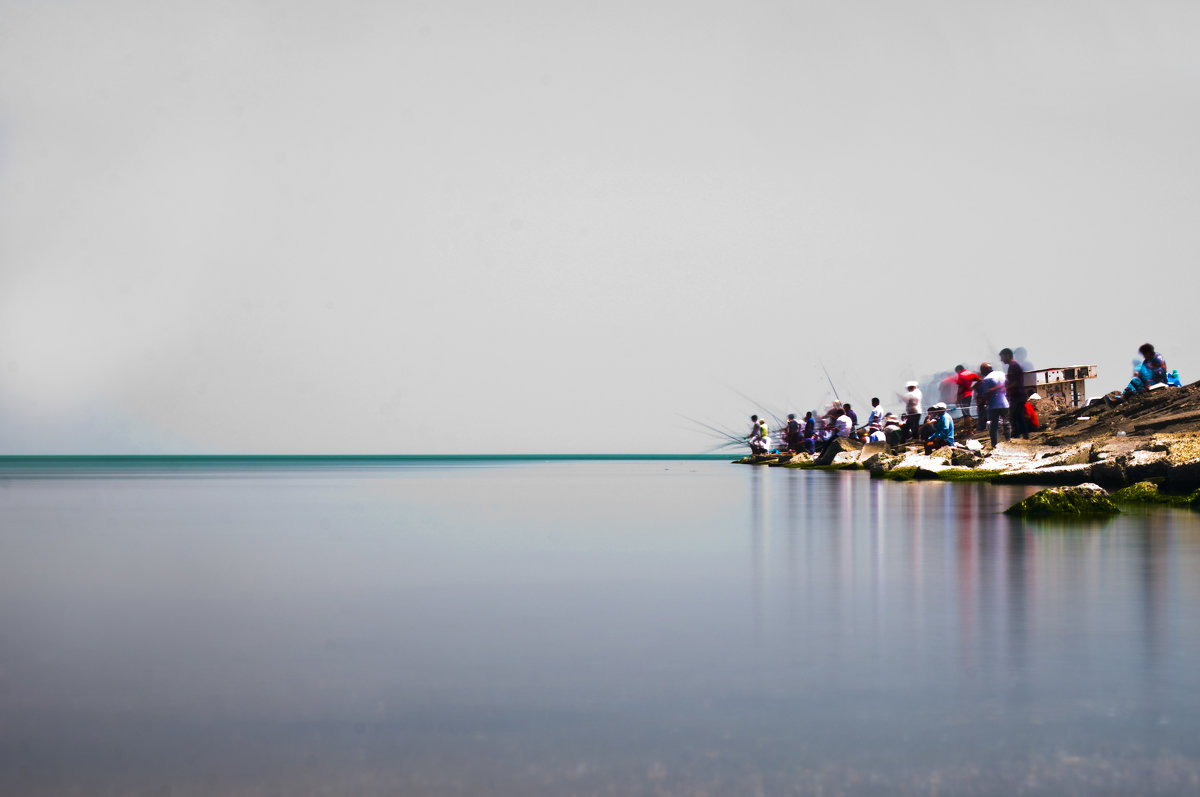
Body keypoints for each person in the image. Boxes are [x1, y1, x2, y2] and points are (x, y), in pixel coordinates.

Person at [978, 362, 1010, 448]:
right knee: (1006, 422)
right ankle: (1008, 441)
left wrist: (981, 402)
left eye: (981, 370)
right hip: (1005, 403)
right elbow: (1006, 385)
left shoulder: (987, 379)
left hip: (993, 405)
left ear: (984, 370)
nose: (981, 373)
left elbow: (986, 394)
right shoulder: (1001, 374)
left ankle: (994, 445)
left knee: (994, 426)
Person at [1000, 348, 1029, 439]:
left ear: (1008, 355)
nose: (1001, 360)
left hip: (1018, 395)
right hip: (1018, 395)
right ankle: (1024, 436)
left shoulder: (1014, 366)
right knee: (1018, 416)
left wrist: (1006, 388)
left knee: (1015, 416)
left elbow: (1016, 382)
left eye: (1002, 357)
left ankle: (1018, 435)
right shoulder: (1013, 366)